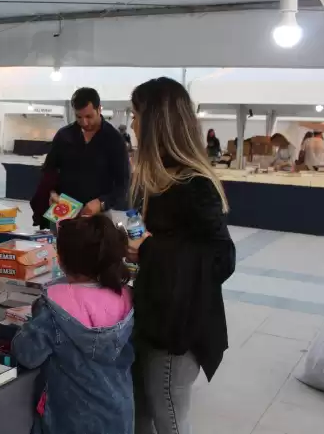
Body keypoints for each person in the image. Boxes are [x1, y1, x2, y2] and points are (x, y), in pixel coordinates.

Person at [127, 77, 235, 434]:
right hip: (153, 313)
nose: (132, 124)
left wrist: (149, 249)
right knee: (140, 412)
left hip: (179, 327)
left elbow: (222, 258)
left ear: (157, 122)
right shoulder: (157, 177)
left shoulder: (193, 183)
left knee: (169, 416)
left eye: (136, 115)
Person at [12, 214, 134, 434]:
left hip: (68, 416)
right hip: (119, 413)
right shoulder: (126, 298)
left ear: (60, 260)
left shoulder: (53, 307)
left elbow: (26, 354)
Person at [31, 87, 130, 226]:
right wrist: (51, 193)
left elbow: (123, 183)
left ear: (99, 109)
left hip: (98, 217)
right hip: (64, 212)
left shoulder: (114, 140)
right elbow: (49, 169)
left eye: (89, 116)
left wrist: (102, 203)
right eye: (79, 117)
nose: (84, 122)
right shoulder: (64, 136)